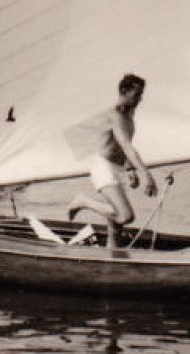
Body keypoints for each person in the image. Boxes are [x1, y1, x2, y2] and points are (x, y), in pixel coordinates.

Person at [64, 73, 158, 247]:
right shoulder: (114, 114)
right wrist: (146, 175)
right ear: (124, 91)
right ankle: (83, 201)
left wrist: (129, 169)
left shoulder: (129, 113)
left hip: (117, 168)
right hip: (103, 167)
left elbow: (123, 144)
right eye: (137, 94)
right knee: (125, 216)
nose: (141, 99)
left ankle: (111, 262)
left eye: (141, 94)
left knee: (115, 230)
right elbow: (126, 145)